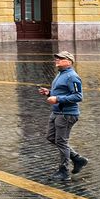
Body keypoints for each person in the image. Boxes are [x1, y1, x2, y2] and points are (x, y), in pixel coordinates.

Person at [39, 50, 88, 182]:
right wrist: (49, 93)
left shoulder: (72, 76)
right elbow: (60, 92)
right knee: (51, 137)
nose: (57, 60)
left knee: (61, 141)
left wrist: (57, 99)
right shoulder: (61, 74)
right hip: (57, 112)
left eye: (60, 58)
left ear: (69, 62)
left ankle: (64, 172)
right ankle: (78, 159)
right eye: (56, 58)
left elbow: (78, 96)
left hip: (67, 114)